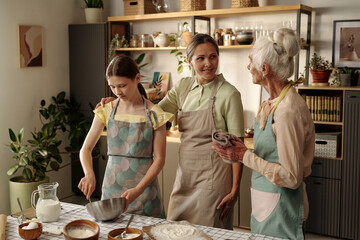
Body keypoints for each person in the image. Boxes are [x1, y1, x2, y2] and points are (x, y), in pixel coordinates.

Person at [97, 34, 245, 229]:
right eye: (200, 58)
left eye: (213, 56)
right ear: (189, 60)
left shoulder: (230, 93)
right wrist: (119, 103)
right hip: (184, 177)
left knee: (208, 234)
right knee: (172, 230)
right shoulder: (183, 87)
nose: (208, 63)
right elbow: (152, 113)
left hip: (214, 181)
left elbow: (238, 148)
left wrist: (234, 190)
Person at [212, 28, 315, 239]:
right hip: (266, 203)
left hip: (281, 207)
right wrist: (239, 147)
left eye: (251, 61)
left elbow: (291, 177)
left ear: (265, 69)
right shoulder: (272, 103)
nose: (248, 66)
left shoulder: (287, 111)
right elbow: (271, 152)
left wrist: (243, 156)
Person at [78, 55, 172, 218]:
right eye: (112, 87)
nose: (117, 91)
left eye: (122, 85)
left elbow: (159, 160)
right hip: (112, 191)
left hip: (145, 193)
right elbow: (85, 149)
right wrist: (89, 174)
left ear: (137, 79)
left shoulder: (155, 114)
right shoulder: (106, 109)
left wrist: (138, 190)